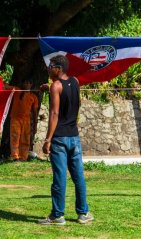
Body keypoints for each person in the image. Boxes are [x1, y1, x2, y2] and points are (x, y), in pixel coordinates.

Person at [39, 55, 93, 225]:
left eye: (51, 66)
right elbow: (65, 91)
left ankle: (57, 215)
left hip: (60, 139)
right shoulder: (75, 82)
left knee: (60, 177)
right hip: (74, 137)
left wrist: (48, 139)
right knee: (79, 177)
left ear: (59, 68)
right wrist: (50, 88)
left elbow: (54, 114)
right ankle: (83, 214)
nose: (48, 68)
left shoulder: (56, 86)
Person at [9, 79, 38, 161]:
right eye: (25, 82)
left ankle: (23, 157)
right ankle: (15, 157)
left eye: (29, 82)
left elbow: (35, 112)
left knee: (25, 139)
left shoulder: (33, 96)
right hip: (15, 119)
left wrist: (35, 125)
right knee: (15, 137)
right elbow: (5, 86)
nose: (27, 84)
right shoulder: (17, 90)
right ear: (23, 84)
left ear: (31, 85)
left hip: (26, 121)